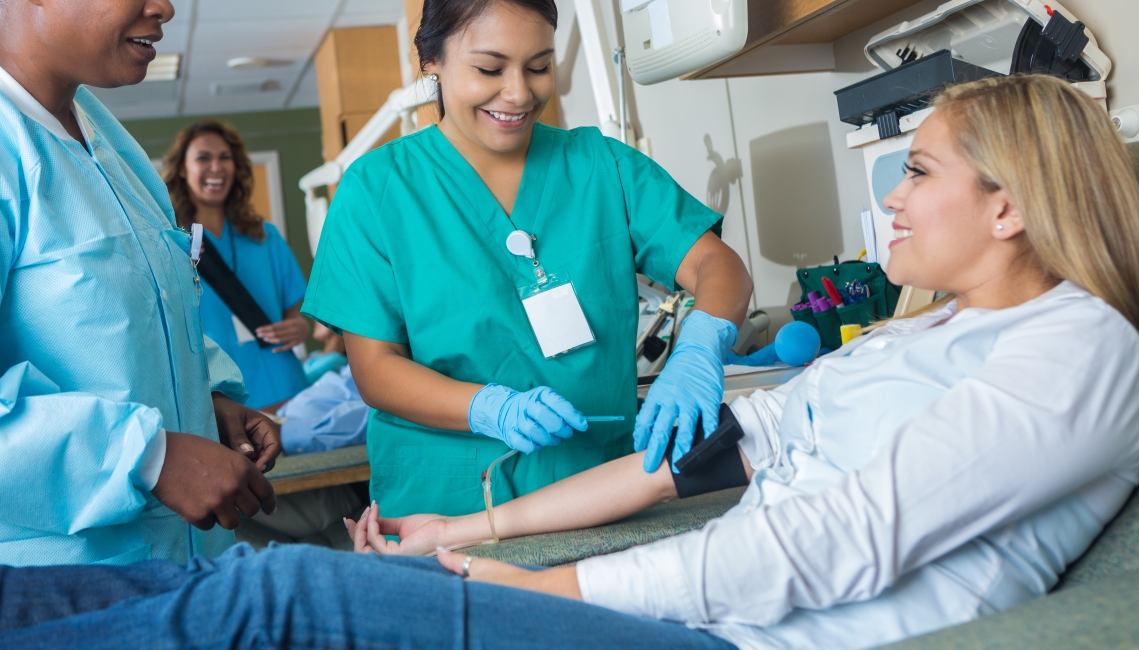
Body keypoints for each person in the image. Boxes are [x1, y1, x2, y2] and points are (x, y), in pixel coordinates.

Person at [332, 74, 1139, 648]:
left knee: (297, 598)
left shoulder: (1082, 347)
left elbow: (848, 537)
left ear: (1010, 207)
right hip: (713, 616)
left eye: (917, 171)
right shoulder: (917, 334)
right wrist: (469, 529)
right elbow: (706, 450)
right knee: (340, 598)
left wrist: (544, 594)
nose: (892, 196)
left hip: (772, 633)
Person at [303, 0, 754, 518]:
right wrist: (488, 408)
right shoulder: (376, 190)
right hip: (445, 506)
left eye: (539, 66)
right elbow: (375, 369)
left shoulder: (602, 167)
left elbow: (718, 267)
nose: (519, 93)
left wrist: (700, 346)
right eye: (490, 69)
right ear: (432, 61)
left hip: (600, 491)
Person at [0, 0, 279, 568]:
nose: (163, 4)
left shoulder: (112, 145)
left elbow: (142, 319)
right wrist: (149, 455)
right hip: (38, 588)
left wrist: (207, 399)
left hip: (159, 567)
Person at [162, 120, 312, 408]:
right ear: (182, 168)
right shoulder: (171, 245)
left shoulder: (264, 236)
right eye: (203, 157)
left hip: (285, 385)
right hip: (220, 396)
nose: (216, 167)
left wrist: (299, 328)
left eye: (225, 157)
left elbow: (294, 316)